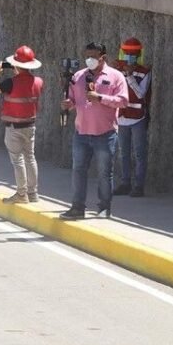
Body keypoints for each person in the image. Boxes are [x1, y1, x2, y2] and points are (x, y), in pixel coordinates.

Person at [60, 42, 129, 219]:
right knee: (78, 170)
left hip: (105, 134)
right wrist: (69, 104)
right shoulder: (78, 76)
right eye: (87, 56)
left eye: (93, 56)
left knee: (105, 173)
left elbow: (123, 101)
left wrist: (101, 98)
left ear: (103, 57)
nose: (89, 59)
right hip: (81, 133)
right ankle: (77, 208)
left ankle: (104, 208)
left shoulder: (116, 76)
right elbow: (72, 98)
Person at [0, 45, 45, 204]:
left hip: (14, 127)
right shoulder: (39, 81)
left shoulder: (10, 82)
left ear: (16, 65)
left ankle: (21, 194)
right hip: (30, 125)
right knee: (30, 158)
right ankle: (33, 193)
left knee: (18, 160)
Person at [113, 37, 151, 197]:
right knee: (124, 152)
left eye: (133, 54)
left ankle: (139, 186)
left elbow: (141, 94)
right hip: (122, 117)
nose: (130, 57)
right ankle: (125, 183)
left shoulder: (144, 72)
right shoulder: (117, 70)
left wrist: (129, 77)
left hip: (138, 118)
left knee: (139, 153)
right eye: (127, 53)